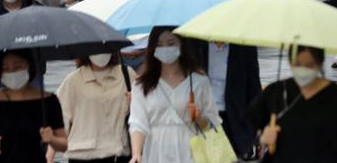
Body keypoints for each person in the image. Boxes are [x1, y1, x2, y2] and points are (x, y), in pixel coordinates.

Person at [249, 45, 337, 163]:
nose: (303, 70)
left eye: (309, 65)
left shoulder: (336, 96)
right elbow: (249, 127)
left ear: (320, 63)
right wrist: (263, 138)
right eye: (297, 64)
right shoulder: (274, 92)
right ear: (290, 62)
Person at [128, 26, 221, 163]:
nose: (165, 48)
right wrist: (136, 153)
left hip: (190, 150)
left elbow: (213, 122)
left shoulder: (198, 81)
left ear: (182, 45)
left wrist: (199, 117)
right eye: (159, 45)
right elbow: (138, 122)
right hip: (156, 151)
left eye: (171, 43)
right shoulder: (141, 85)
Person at [0, 49, 67, 162]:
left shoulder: (48, 101)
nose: (12, 72)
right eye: (5, 68)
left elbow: (64, 144)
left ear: (29, 66)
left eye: (17, 66)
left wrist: (52, 139)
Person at [46, 53, 136, 163]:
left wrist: (135, 103)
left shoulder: (127, 74)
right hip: (83, 154)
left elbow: (142, 112)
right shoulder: (73, 80)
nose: (101, 53)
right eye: (96, 49)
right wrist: (50, 156)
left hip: (118, 152)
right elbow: (60, 119)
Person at [194, 41, 262, 159]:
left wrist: (259, 128)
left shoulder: (245, 47)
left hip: (235, 123)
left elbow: (254, 89)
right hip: (204, 119)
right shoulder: (196, 45)